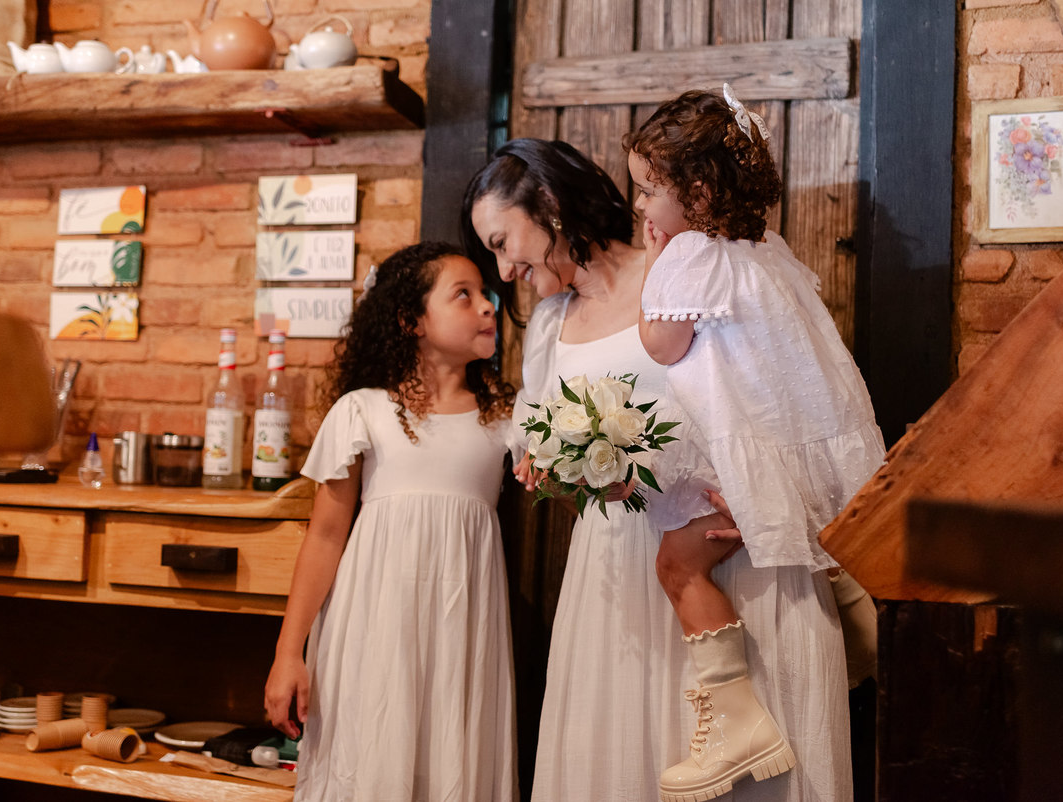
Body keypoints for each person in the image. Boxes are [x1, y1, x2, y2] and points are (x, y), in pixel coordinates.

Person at [463, 139, 767, 802]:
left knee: (711, 743)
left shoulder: (677, 272)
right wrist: (565, 473)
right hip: (611, 567)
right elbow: (554, 464)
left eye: (501, 241)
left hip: (709, 548)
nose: (503, 267)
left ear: (547, 205)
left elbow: (760, 397)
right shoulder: (550, 326)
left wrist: (764, 496)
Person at [624, 86, 883, 800]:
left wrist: (654, 264)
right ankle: (863, 630)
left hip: (728, 455)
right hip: (791, 447)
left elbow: (663, 342)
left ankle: (734, 719)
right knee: (816, 552)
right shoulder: (766, 249)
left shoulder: (687, 256)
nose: (643, 209)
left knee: (678, 566)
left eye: (650, 191)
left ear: (698, 192)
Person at [262, 241, 519, 802]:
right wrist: (289, 653)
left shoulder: (507, 420)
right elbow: (326, 536)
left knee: (450, 756)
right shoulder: (364, 411)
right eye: (463, 295)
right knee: (372, 753)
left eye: (486, 295)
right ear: (412, 321)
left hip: (461, 632)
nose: (486, 307)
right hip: (373, 626)